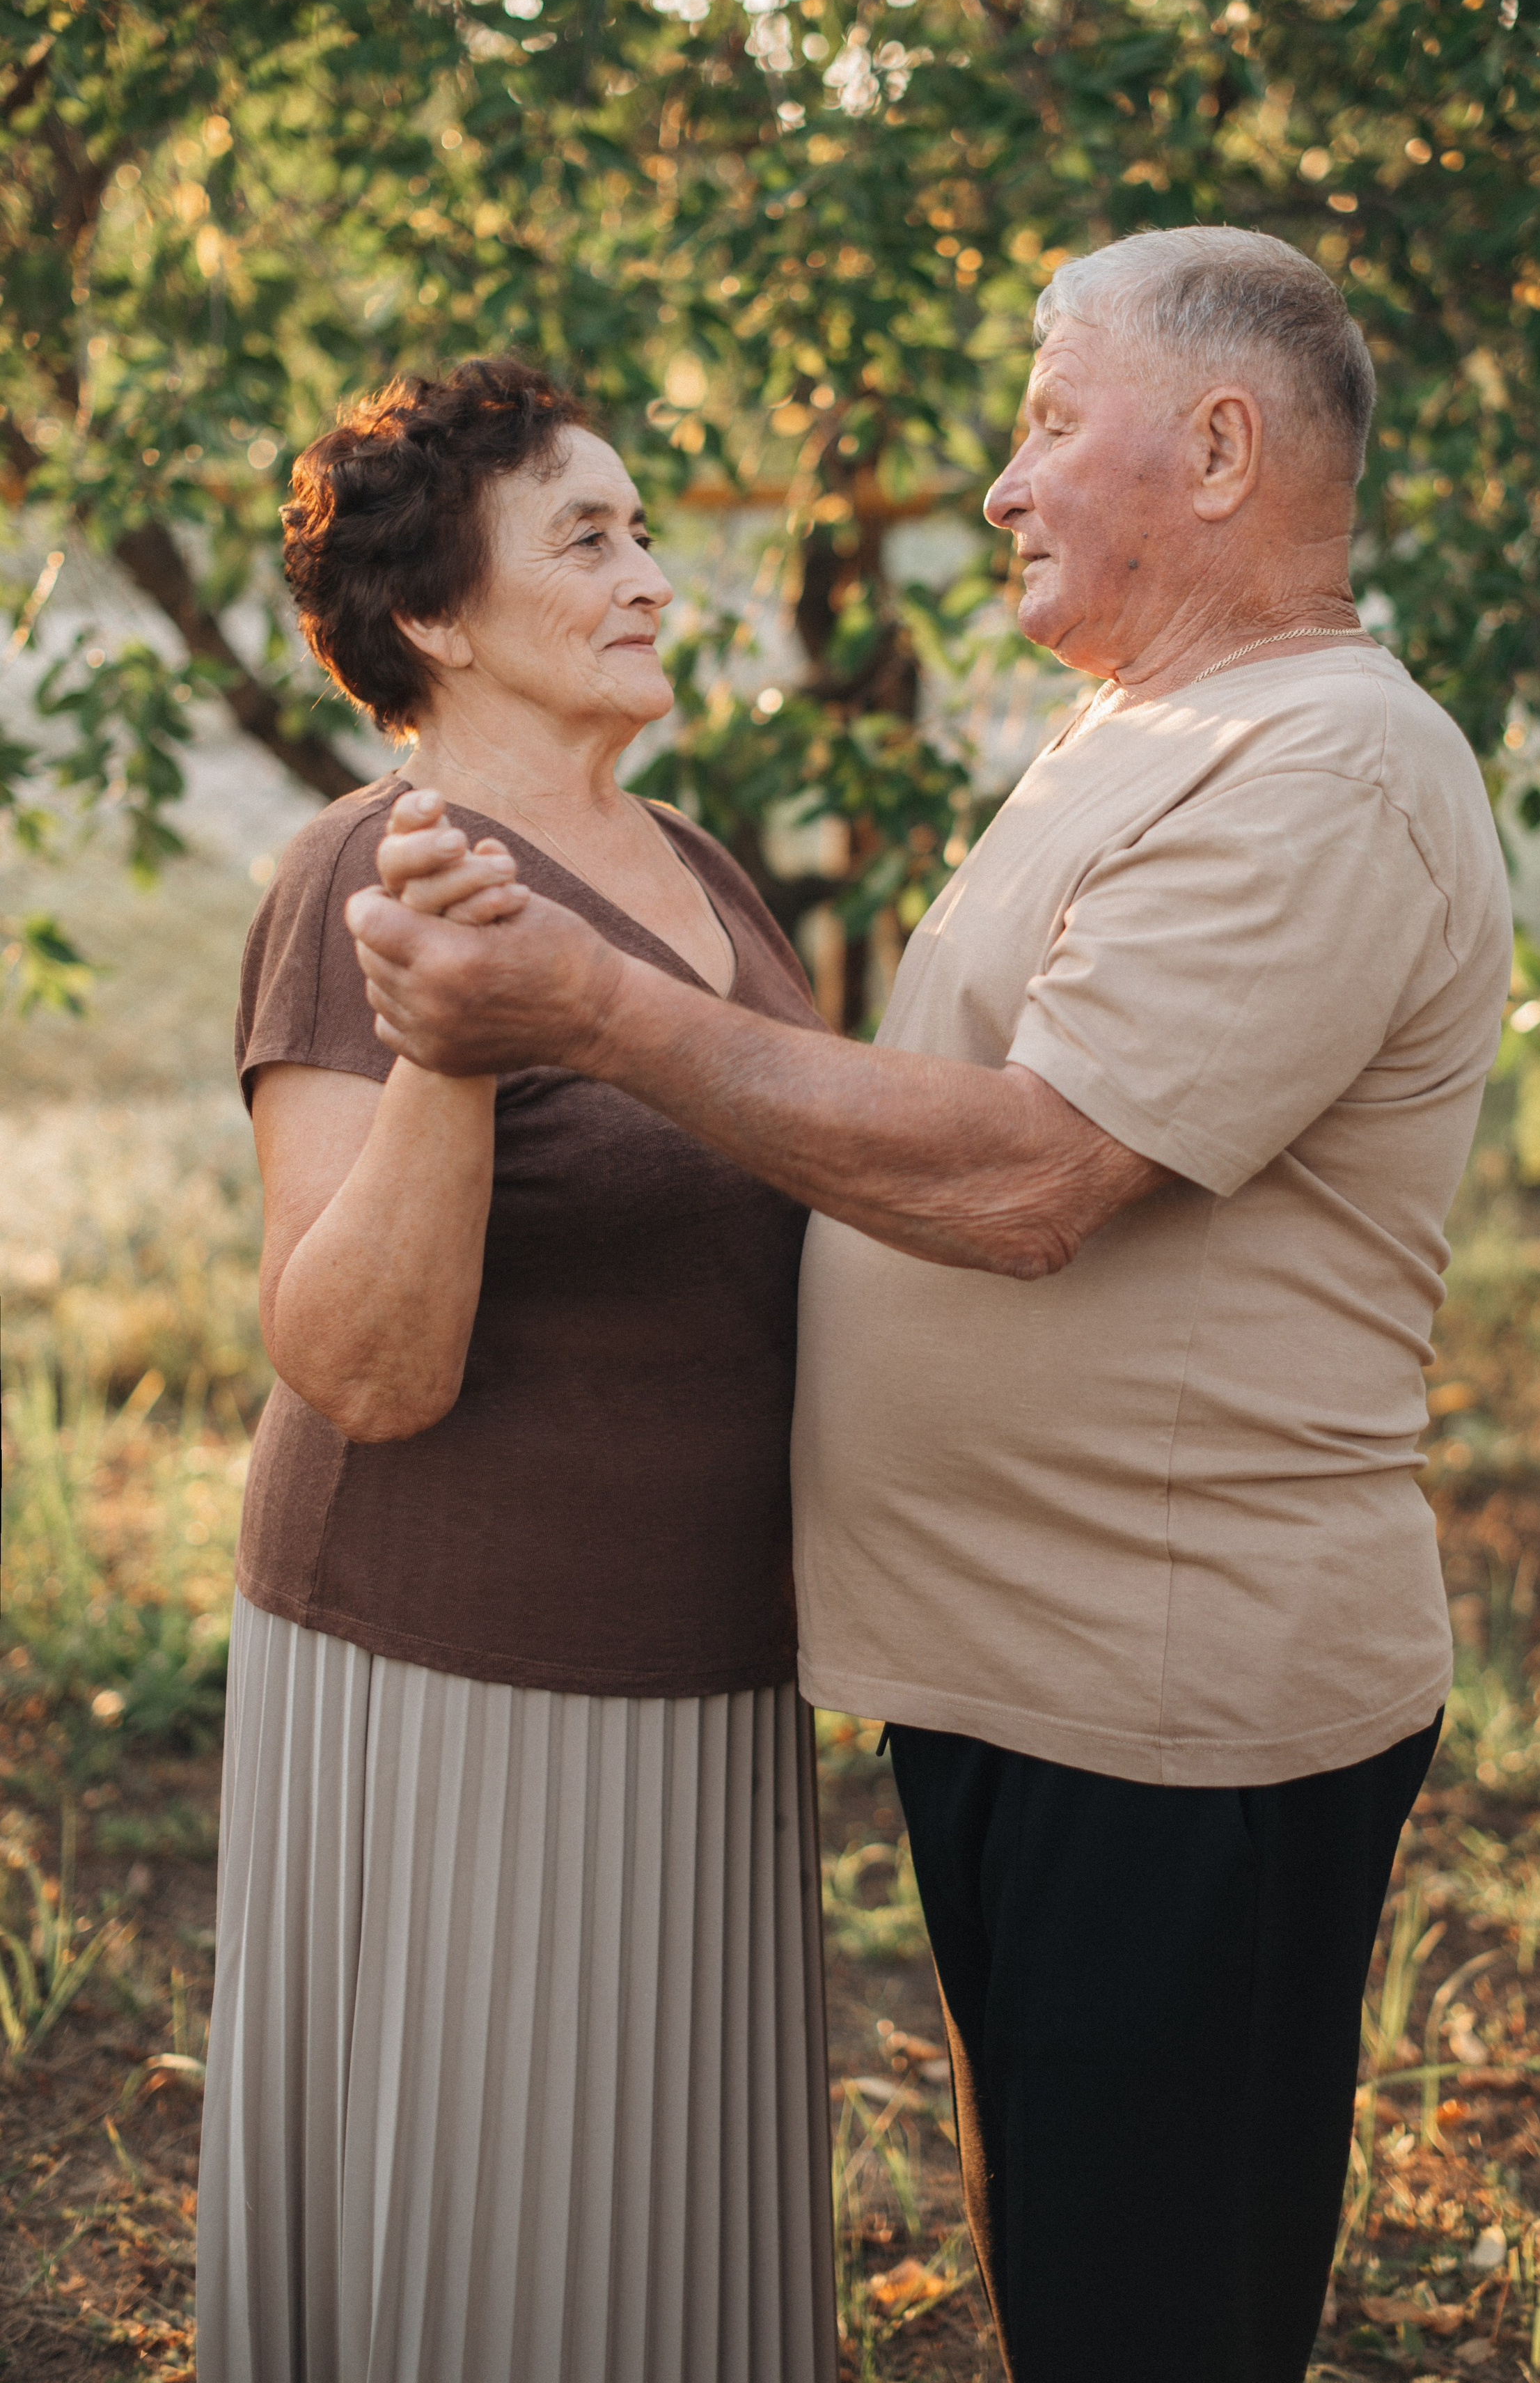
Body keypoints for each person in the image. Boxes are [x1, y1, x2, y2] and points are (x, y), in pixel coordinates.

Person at [347, 230, 1514, 2382]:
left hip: (1175, 1708)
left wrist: (589, 1008)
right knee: (1072, 2277)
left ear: (1224, 447)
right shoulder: (1141, 732)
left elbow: (1035, 1174)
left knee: (1152, 2315)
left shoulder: (1326, 769)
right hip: (1040, 1682)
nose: (1002, 480)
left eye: (1051, 421)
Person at [197, 358, 837, 2383]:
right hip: (463, 1670)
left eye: (644, 528)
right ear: (438, 620)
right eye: (589, 534)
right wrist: (457, 1070)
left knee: (666, 2241)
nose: (652, 573)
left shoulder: (708, 868)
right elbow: (352, 1358)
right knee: (508, 2251)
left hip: (711, 1666)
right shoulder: (367, 880)